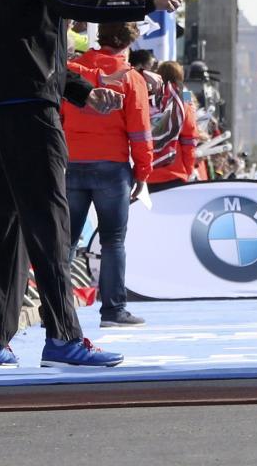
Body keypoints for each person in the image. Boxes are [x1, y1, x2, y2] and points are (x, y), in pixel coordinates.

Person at [0, 0, 183, 371]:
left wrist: (82, 91)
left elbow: (30, 46)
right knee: (49, 220)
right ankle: (63, 337)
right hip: (23, 106)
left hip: (1, 100)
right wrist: (144, 1)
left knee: (16, 225)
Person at [63, 20, 153, 329]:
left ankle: (57, 311)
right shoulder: (131, 78)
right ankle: (113, 311)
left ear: (99, 37)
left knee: (66, 242)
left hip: (71, 163)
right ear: (129, 44)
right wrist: (143, 173)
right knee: (113, 241)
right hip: (112, 168)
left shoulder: (74, 69)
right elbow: (140, 131)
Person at [146, 60, 199, 191]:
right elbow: (190, 135)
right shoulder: (185, 95)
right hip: (174, 171)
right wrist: (188, 168)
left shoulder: (148, 96)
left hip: (148, 172)